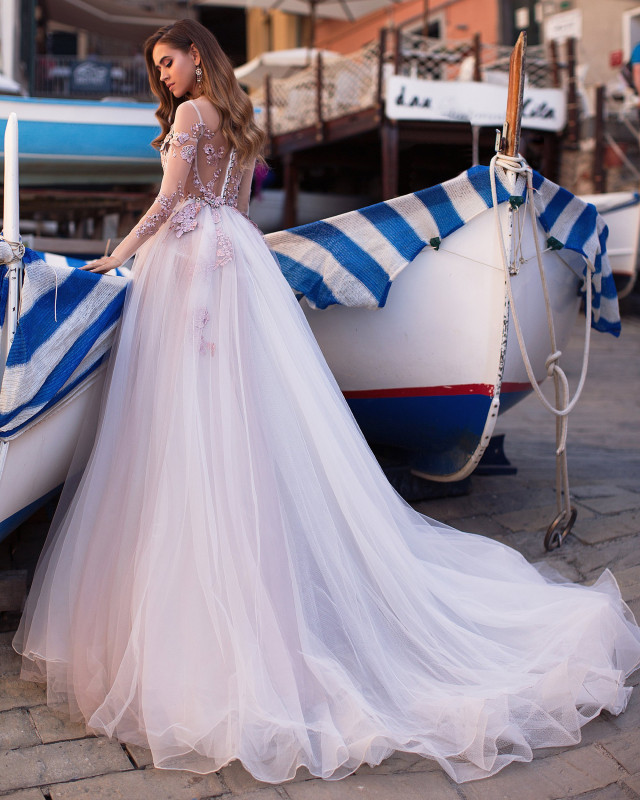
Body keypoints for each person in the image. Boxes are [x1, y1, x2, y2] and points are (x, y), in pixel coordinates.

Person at [12, 19, 640, 785]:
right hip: (236, 268)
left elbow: (171, 204)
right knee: (235, 420)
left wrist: (116, 255)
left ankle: (205, 601)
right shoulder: (242, 123)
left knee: (179, 427)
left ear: (196, 55)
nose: (164, 77)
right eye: (158, 67)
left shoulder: (188, 117)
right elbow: (233, 210)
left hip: (188, 271)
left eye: (169, 60)